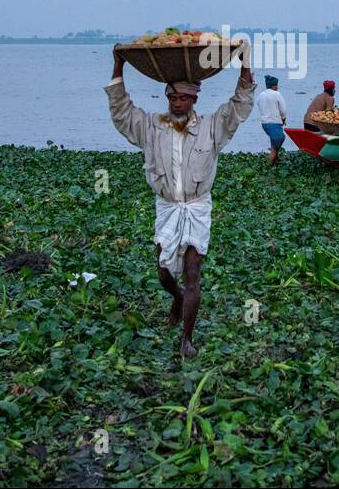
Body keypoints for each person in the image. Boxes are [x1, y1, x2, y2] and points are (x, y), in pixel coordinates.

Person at [106, 50, 254, 359]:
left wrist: (245, 65)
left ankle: (186, 338)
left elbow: (239, 106)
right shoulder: (151, 127)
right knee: (163, 271)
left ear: (194, 100)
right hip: (168, 206)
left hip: (197, 207)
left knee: (192, 271)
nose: (177, 103)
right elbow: (121, 111)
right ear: (167, 97)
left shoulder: (212, 127)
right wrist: (119, 65)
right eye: (173, 97)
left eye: (184, 98)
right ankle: (177, 298)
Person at [255, 75, 289, 164]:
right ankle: (270, 163)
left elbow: (259, 107)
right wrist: (284, 118)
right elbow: (283, 109)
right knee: (280, 138)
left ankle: (276, 159)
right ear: (273, 86)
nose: (277, 87)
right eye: (276, 85)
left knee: (274, 139)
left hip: (264, 124)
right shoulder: (277, 94)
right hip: (274, 123)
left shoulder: (260, 95)